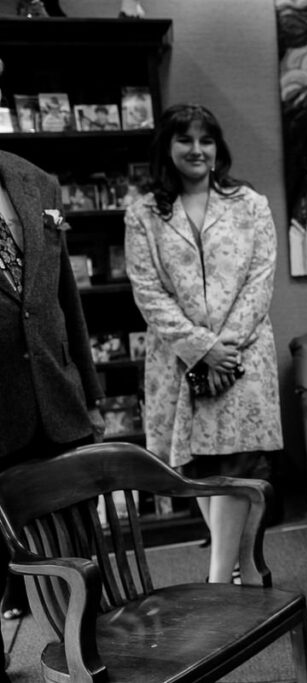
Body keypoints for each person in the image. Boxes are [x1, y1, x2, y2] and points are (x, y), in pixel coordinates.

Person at [124, 104, 283, 584]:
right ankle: (249, 571)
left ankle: (220, 580)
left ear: (218, 148)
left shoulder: (249, 204)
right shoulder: (143, 214)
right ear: (167, 149)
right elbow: (147, 291)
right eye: (185, 140)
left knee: (238, 464)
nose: (197, 150)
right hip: (177, 360)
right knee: (201, 469)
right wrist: (200, 347)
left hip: (243, 356)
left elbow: (261, 278)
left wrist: (224, 348)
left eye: (206, 140)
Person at [0, 149, 105, 677]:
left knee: (79, 554)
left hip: (57, 401)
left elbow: (65, 296)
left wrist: (89, 392)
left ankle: (87, 661)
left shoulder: (35, 180)